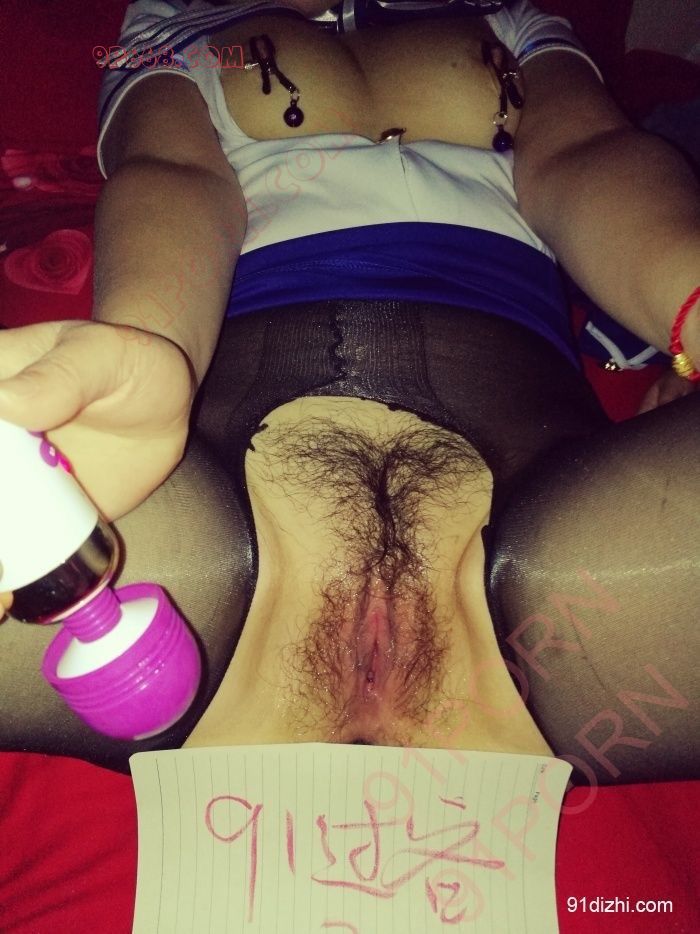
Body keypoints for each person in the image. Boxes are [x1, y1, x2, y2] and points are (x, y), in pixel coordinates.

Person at [0, 0, 697, 785]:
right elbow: (174, 176)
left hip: (552, 533)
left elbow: (587, 156)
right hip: (216, 526)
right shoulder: (168, 18)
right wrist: (140, 352)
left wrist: (692, 306)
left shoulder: (516, 21)